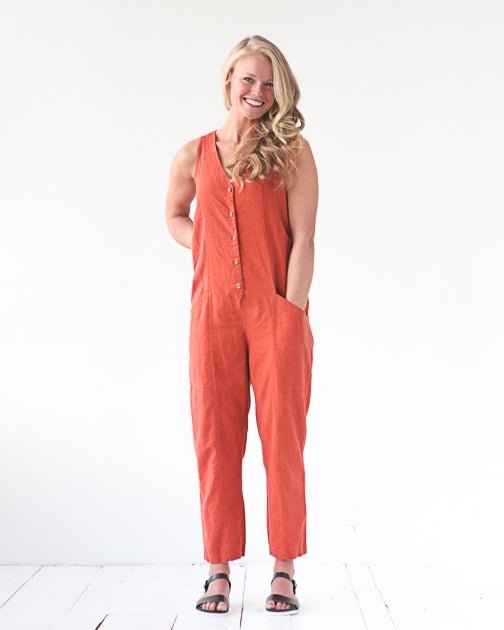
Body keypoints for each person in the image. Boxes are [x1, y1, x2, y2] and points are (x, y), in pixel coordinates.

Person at [165, 34, 318, 615]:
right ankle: (218, 568)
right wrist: (202, 244)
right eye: (249, 78)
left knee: (283, 441)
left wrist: (292, 311)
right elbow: (175, 216)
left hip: (275, 312)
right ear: (229, 79)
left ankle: (284, 566)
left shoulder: (292, 152)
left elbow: (304, 238)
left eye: (270, 82)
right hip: (212, 316)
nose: (258, 91)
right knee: (215, 440)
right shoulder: (193, 154)